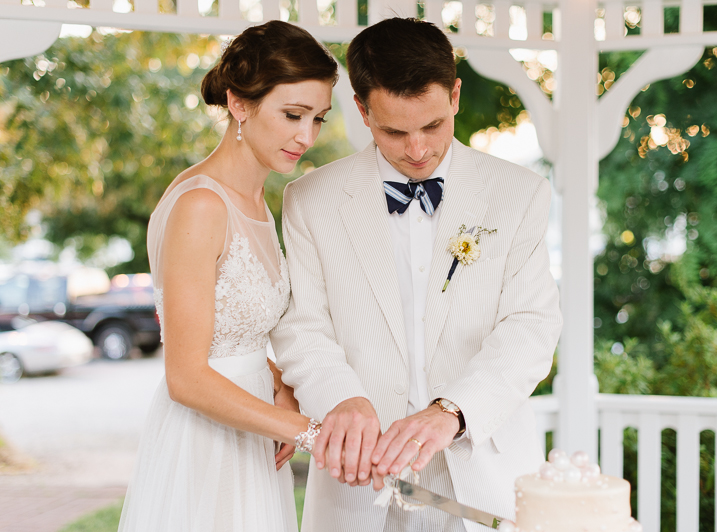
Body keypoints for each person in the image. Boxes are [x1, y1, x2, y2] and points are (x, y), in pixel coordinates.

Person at [270, 17, 563, 532]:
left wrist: (452, 410)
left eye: (431, 126)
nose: (418, 150)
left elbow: (531, 326)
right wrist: (346, 404)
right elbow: (301, 327)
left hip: (482, 470)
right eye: (394, 131)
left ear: (454, 95)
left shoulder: (519, 194)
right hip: (357, 480)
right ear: (362, 111)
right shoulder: (309, 201)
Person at [117, 21, 338, 532]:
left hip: (251, 428)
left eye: (318, 119)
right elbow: (187, 375)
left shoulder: (258, 200)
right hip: (205, 443)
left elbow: (226, 331)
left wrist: (279, 381)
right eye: (292, 115)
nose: (306, 136)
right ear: (240, 104)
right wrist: (308, 430)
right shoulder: (200, 205)